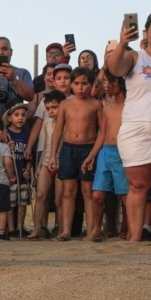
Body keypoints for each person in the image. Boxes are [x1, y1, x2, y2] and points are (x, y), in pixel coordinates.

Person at [108, 10, 151, 241]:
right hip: (135, 127)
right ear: (146, 32)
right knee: (138, 184)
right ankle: (134, 239)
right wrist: (123, 43)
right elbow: (115, 69)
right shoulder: (135, 57)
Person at [49, 67, 103, 241]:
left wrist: (93, 154)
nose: (80, 87)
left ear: (91, 84)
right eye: (77, 83)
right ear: (71, 85)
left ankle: (92, 230)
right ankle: (65, 230)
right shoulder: (65, 104)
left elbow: (103, 131)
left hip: (88, 149)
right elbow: (58, 130)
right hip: (68, 149)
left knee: (88, 191)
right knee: (68, 191)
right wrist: (52, 155)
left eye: (84, 83)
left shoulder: (96, 104)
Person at [81, 69, 127, 242]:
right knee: (97, 194)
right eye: (105, 82)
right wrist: (92, 155)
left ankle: (125, 227)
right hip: (105, 152)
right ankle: (95, 230)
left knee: (125, 195)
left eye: (109, 82)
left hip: (124, 152)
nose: (106, 86)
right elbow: (102, 134)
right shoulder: (105, 105)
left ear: (120, 82)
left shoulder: (131, 104)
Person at [28, 90, 66, 239]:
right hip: (46, 162)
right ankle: (37, 229)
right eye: (48, 108)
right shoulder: (47, 125)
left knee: (59, 199)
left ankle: (62, 229)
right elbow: (45, 146)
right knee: (40, 195)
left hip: (61, 163)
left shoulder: (68, 124)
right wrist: (38, 167)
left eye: (54, 107)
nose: (51, 111)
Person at [3, 103, 31, 238]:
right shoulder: (6, 133)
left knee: (22, 202)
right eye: (16, 115)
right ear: (9, 118)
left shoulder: (27, 134)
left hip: (22, 173)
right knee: (10, 203)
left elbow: (29, 156)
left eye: (23, 115)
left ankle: (20, 226)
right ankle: (11, 228)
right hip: (10, 176)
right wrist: (6, 146)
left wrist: (28, 169)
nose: (20, 118)